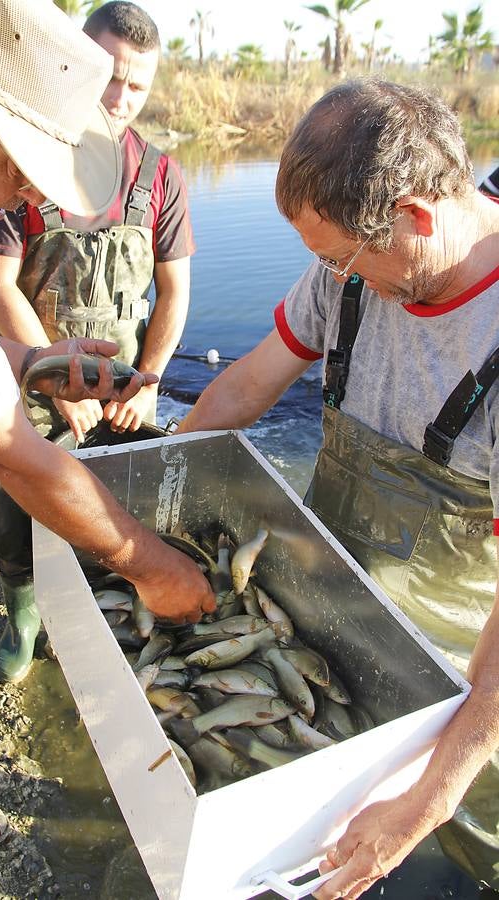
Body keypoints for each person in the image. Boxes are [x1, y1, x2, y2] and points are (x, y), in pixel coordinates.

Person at [0, 0, 214, 853]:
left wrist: (30, 361)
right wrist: (154, 566)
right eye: (22, 161)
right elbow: (11, 453)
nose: (36, 190)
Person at [177, 79, 499, 898]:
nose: (327, 276)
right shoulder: (348, 279)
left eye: (338, 257)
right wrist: (146, 494)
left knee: (452, 857)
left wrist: (429, 799)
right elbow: (241, 390)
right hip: (331, 613)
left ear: (418, 215)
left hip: (461, 677)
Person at [0, 0, 195, 684]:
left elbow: (175, 293)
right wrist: (56, 379)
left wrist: (146, 380)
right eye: (109, 77)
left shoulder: (160, 177)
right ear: (76, 65)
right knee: (18, 519)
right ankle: (24, 610)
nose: (120, 98)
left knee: (125, 518)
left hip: (125, 389)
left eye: (138, 85)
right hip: (37, 382)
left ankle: (114, 625)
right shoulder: (23, 161)